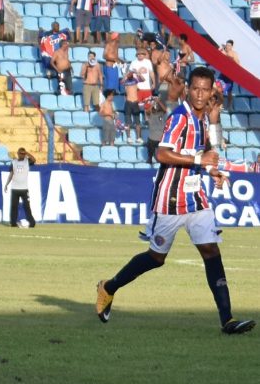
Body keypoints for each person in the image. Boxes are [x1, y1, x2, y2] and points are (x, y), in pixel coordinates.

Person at [95, 67, 255, 335]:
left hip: (195, 197)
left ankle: (227, 320)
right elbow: (162, 153)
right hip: (170, 198)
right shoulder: (180, 117)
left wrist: (212, 169)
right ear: (189, 89)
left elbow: (203, 151)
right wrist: (198, 161)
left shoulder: (202, 118)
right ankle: (108, 287)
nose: (201, 94)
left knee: (211, 252)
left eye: (206, 89)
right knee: (156, 258)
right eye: (196, 89)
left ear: (212, 90)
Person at [4, 147, 37, 228]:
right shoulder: (14, 162)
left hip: (24, 188)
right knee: (14, 206)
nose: (22, 155)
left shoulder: (27, 161)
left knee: (27, 206)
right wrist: (6, 184)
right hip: (15, 188)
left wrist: (27, 153)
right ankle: (13, 223)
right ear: (18, 153)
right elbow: (11, 174)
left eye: (23, 153)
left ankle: (32, 222)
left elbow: (34, 159)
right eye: (21, 153)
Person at [144, 93, 167, 164]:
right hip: (152, 138)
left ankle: (163, 159)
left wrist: (158, 102)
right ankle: (150, 158)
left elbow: (165, 110)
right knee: (149, 144)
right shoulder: (150, 115)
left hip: (161, 138)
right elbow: (147, 111)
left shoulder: (162, 114)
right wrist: (153, 104)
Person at [121, 69, 143, 143]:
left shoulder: (135, 80)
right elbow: (121, 82)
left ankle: (138, 137)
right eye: (129, 74)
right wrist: (126, 73)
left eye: (131, 74)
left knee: (137, 122)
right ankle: (129, 137)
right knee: (127, 122)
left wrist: (137, 72)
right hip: (128, 102)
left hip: (135, 103)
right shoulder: (126, 81)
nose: (130, 74)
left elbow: (143, 79)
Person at [218, 40, 240, 111]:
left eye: (229, 45)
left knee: (229, 92)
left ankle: (229, 105)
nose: (227, 47)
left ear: (231, 46)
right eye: (226, 45)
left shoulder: (234, 53)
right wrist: (220, 49)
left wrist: (228, 56)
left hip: (230, 74)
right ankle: (221, 104)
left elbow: (237, 63)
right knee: (219, 88)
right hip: (223, 73)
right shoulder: (223, 51)